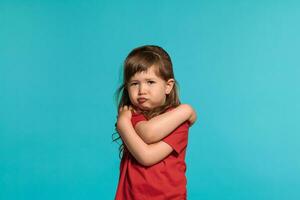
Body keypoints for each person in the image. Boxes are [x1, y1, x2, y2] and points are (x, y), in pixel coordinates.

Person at [114, 45, 197, 199]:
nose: (142, 90)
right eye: (134, 83)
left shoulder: (177, 121)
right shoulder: (133, 115)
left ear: (168, 86)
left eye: (150, 82)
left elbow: (147, 154)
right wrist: (125, 122)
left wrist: (123, 125)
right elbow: (148, 133)